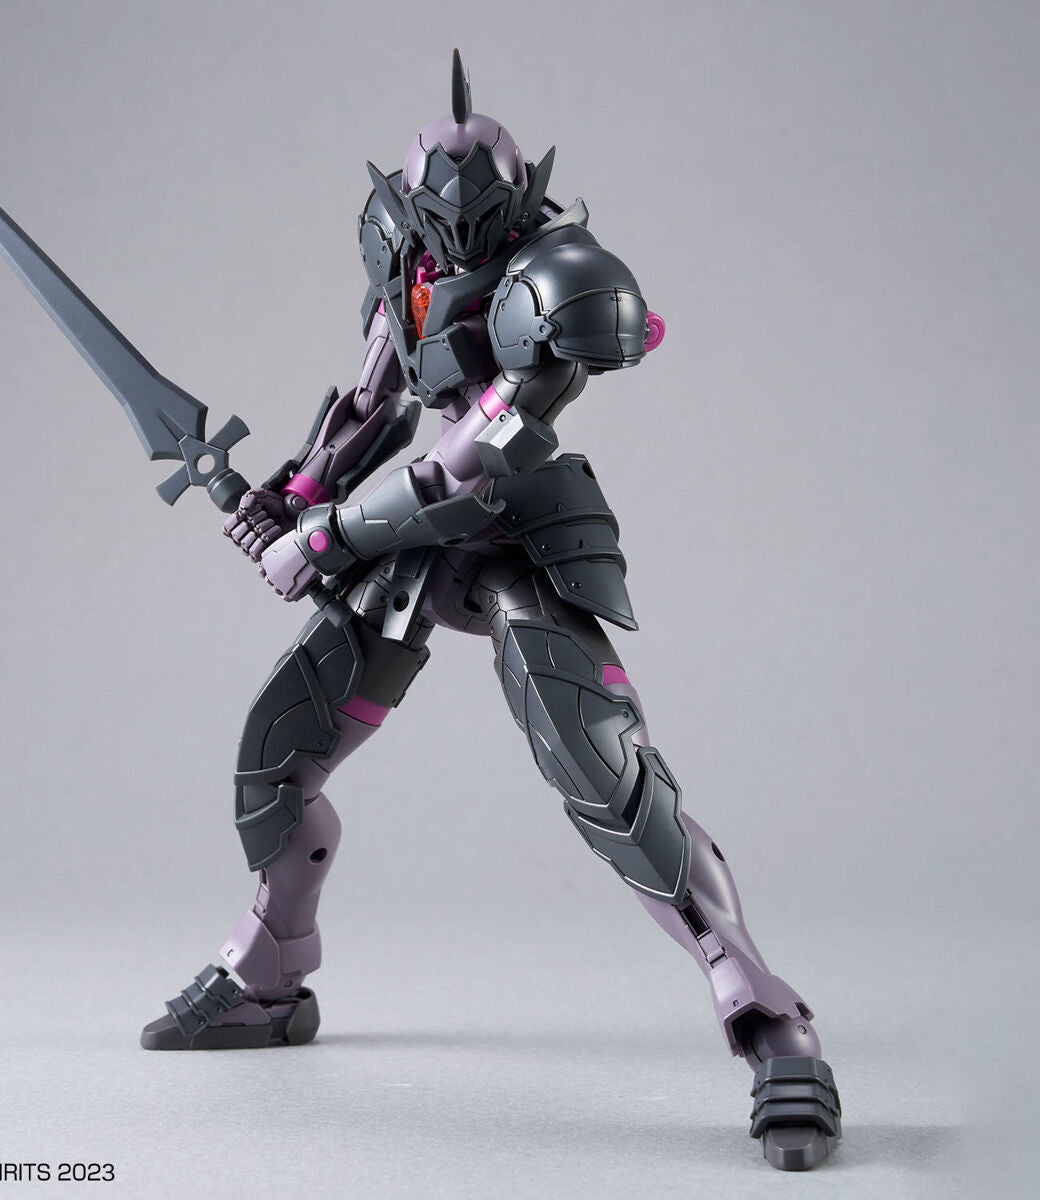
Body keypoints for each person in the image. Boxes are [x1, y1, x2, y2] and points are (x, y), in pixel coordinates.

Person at [139, 49, 841, 1172]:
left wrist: (324, 537)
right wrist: (292, 492)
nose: (456, 242)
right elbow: (374, 403)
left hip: (518, 536)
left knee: (607, 777)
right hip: (411, 552)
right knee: (277, 753)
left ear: (521, 205)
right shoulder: (402, 260)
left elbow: (476, 452)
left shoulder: (557, 276)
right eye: (437, 226)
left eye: (478, 222)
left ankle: (769, 1017)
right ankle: (269, 971)